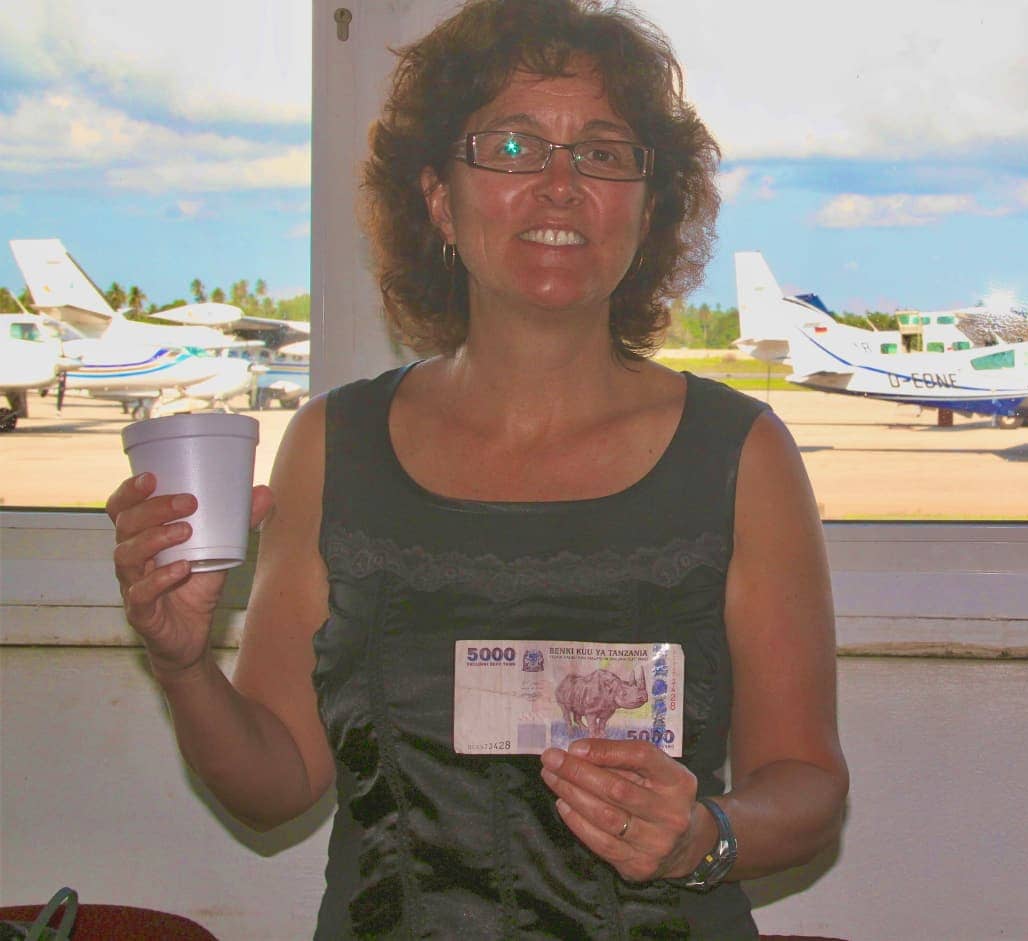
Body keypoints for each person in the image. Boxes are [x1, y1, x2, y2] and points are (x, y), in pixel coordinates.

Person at [104, 1, 848, 937]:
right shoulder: (335, 444)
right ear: (436, 199)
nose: (561, 185)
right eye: (512, 147)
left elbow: (809, 785)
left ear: (648, 205)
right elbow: (275, 782)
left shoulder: (742, 453)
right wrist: (182, 667)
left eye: (605, 152)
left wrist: (704, 836)